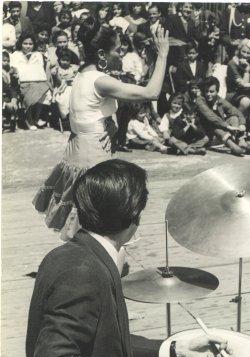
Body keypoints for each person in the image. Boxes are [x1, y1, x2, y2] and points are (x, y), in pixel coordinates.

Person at [27, 159, 230, 357]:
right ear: (134, 219)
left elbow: (102, 341)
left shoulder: (78, 253)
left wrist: (174, 349)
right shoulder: (83, 271)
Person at [33, 17, 170, 241]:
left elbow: (86, 116)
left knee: (87, 225)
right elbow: (151, 93)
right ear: (102, 55)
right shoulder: (100, 80)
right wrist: (163, 54)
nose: (120, 54)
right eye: (116, 50)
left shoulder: (81, 76)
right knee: (102, 226)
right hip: (93, 160)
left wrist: (109, 125)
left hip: (78, 153)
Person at [196, 76, 250, 156]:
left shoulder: (220, 101)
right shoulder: (200, 100)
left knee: (234, 117)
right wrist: (227, 126)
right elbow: (210, 117)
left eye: (211, 91)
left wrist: (242, 124)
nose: (208, 94)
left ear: (217, 91)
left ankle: (241, 141)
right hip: (207, 135)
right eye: (206, 91)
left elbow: (236, 112)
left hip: (220, 135)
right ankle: (232, 145)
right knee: (212, 123)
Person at [10, 33, 51, 130]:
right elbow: (13, 68)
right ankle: (29, 119)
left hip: (38, 80)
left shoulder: (37, 55)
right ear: (20, 44)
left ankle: (36, 118)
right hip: (23, 82)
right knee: (29, 94)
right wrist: (15, 72)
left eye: (30, 44)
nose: (28, 46)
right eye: (25, 43)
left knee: (45, 93)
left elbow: (40, 69)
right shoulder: (15, 55)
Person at [226, 39, 250, 141]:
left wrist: (249, 84)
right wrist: (246, 71)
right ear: (239, 50)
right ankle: (239, 129)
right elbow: (242, 86)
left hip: (248, 93)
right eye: (243, 51)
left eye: (248, 53)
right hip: (234, 93)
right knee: (245, 101)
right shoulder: (232, 63)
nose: (245, 55)